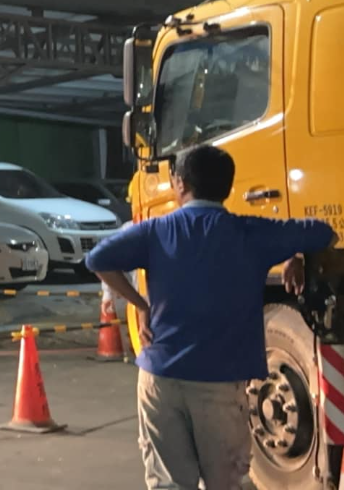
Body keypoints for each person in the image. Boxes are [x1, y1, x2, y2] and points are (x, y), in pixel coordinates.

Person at [86, 145, 336, 489]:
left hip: (159, 379)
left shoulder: (156, 231)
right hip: (218, 386)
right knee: (225, 482)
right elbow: (323, 232)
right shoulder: (250, 232)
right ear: (228, 188)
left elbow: (98, 259)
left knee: (169, 484)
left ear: (180, 184)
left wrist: (141, 304)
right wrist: (296, 254)